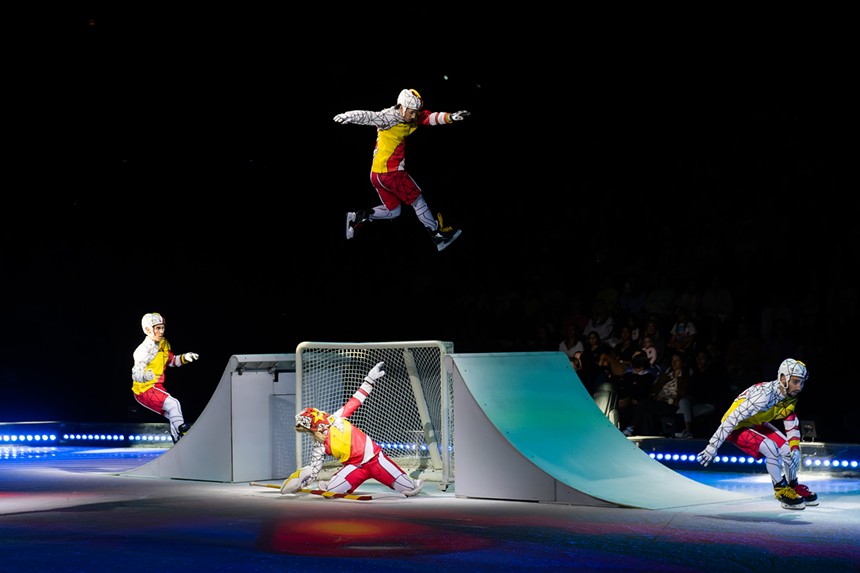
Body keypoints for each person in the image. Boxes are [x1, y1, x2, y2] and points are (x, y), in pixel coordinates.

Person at [335, 88, 470, 252]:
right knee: (418, 201)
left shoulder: (411, 116)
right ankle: (437, 235)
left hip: (376, 175)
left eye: (415, 112)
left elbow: (428, 118)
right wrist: (348, 116)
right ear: (403, 107)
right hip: (392, 173)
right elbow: (368, 116)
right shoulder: (389, 117)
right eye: (412, 112)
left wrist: (451, 117)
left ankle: (357, 217)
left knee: (394, 212)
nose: (414, 116)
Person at [280, 361, 424, 497]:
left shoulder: (336, 418)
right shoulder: (320, 446)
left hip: (376, 460)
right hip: (355, 468)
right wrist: (300, 480)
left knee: (409, 489)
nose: (321, 413)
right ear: (313, 423)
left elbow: (356, 399)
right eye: (316, 414)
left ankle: (408, 482)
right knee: (331, 491)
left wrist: (369, 380)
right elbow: (314, 469)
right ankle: (340, 483)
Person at [697, 358, 818, 510]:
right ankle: (781, 490)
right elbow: (731, 419)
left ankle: (793, 485)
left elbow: (790, 418)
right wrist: (712, 446)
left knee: (788, 450)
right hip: (736, 427)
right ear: (783, 378)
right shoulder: (764, 395)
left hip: (755, 422)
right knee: (771, 448)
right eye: (795, 382)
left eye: (801, 382)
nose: (799, 387)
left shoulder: (789, 394)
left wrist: (795, 447)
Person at [130, 312, 199, 443]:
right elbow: (136, 374)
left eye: (162, 328)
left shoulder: (163, 344)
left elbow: (171, 361)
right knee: (174, 404)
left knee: (173, 414)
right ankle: (182, 430)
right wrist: (144, 376)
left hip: (157, 387)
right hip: (144, 390)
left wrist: (185, 358)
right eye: (158, 328)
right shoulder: (142, 351)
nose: (161, 331)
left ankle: (178, 440)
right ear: (147, 329)